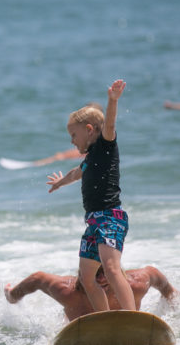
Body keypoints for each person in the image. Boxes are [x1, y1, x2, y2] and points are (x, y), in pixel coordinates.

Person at [47, 79, 135, 313]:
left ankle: (132, 316)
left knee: (112, 269)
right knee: (86, 278)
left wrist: (112, 100)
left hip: (110, 218)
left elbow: (110, 124)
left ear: (89, 130)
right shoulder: (88, 160)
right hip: (93, 222)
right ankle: (104, 318)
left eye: (73, 135)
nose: (71, 141)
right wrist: (60, 183)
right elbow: (76, 173)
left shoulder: (105, 147)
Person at [5, 265, 177, 322]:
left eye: (105, 273)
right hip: (79, 327)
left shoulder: (135, 285)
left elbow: (153, 273)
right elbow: (37, 278)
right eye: (95, 274)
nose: (101, 279)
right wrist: (13, 295)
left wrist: (170, 294)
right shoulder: (67, 291)